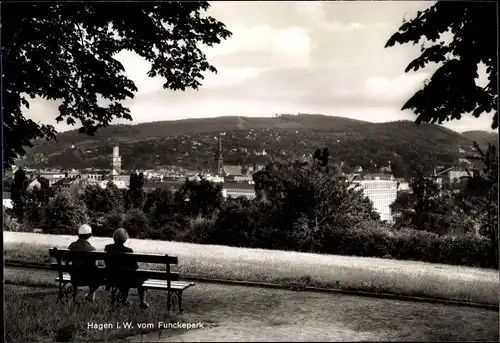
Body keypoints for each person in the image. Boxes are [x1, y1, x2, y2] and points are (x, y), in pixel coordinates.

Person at [104, 228, 149, 309]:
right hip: (126, 279)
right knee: (141, 277)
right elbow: (135, 267)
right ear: (125, 239)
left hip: (111, 277)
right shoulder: (128, 250)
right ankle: (142, 301)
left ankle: (123, 300)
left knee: (124, 275)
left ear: (114, 237)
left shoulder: (108, 248)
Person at [67, 224, 101, 302]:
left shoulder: (72, 246)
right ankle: (89, 296)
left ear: (78, 234)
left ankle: (86, 297)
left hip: (74, 276)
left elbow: (66, 261)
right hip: (87, 278)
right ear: (90, 235)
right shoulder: (92, 249)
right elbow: (94, 266)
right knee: (99, 277)